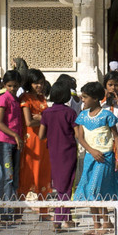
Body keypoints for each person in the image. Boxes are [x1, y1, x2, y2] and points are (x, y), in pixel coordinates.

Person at [72, 81, 118, 234]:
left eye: (85, 97)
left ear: (95, 99)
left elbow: (116, 137)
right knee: (89, 190)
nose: (83, 100)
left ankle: (106, 223)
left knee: (96, 189)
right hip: (90, 157)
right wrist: (91, 151)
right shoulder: (82, 116)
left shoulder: (107, 115)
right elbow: (80, 138)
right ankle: (97, 225)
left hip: (105, 158)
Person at [41, 81, 79, 225]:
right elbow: (77, 134)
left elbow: (41, 135)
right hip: (68, 151)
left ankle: (67, 218)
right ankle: (58, 218)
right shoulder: (70, 112)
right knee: (67, 184)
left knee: (60, 184)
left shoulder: (46, 113)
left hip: (53, 151)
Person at [0, 70, 24, 221]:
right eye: (10, 86)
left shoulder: (16, 99)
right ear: (5, 85)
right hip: (4, 141)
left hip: (14, 142)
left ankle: (5, 211)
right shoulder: (3, 99)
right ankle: (4, 212)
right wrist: (15, 135)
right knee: (7, 177)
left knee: (11, 177)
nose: (13, 89)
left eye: (15, 86)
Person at [18, 70, 53, 211]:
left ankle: (43, 210)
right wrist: (43, 118)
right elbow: (29, 121)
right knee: (28, 173)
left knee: (43, 173)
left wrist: (40, 117)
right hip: (31, 142)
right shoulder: (25, 98)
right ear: (29, 83)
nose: (39, 86)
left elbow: (43, 118)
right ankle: (18, 210)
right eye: (36, 83)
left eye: (41, 83)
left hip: (44, 141)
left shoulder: (42, 98)